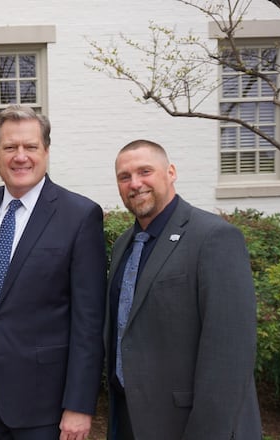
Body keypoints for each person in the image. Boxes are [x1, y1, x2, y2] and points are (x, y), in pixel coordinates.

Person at [0, 104, 107, 440]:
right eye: (10, 147)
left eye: (30, 147)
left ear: (46, 151)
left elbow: (89, 322)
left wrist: (79, 404)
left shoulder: (79, 216)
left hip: (47, 405)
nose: (20, 156)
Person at [106, 139, 262, 439]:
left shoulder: (214, 237)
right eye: (124, 177)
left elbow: (230, 354)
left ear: (171, 172)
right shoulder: (124, 244)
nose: (135, 183)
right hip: (130, 420)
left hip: (190, 424)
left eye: (145, 171)